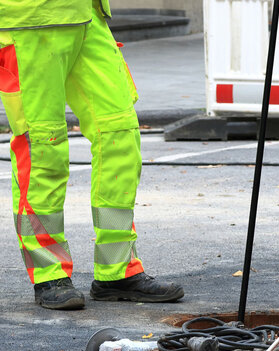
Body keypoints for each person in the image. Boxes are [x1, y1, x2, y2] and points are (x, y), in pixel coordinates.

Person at [0, 0, 184, 309]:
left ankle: (116, 270)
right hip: (28, 23)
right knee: (44, 147)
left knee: (120, 134)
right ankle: (49, 272)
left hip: (86, 15)